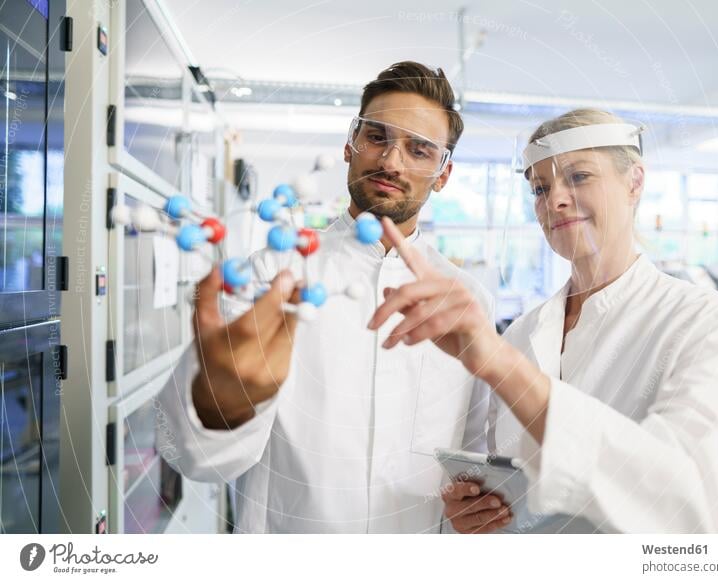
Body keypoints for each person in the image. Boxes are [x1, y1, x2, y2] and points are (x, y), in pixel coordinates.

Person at [369, 108, 718, 533]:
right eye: (540, 188)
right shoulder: (524, 333)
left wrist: (499, 361)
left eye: (578, 177)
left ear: (634, 182)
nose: (554, 200)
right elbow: (513, 484)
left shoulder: (714, 326)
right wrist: (476, 512)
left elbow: (703, 504)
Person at [156, 61, 493, 533]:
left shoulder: (465, 299)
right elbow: (189, 457)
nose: (391, 162)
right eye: (377, 137)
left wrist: (476, 500)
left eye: (419, 150)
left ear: (443, 174)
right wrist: (223, 406)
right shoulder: (273, 275)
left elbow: (475, 452)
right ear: (349, 144)